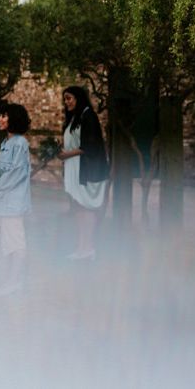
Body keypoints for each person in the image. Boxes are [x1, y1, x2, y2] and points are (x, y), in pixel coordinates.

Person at [0, 103, 32, 296]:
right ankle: (10, 279)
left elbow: (17, 172)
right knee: (7, 241)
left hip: (13, 201)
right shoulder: (7, 142)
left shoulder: (20, 143)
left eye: (3, 116)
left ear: (13, 119)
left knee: (16, 241)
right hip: (3, 201)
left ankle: (15, 281)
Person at [57, 86, 109, 260]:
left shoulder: (89, 116)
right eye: (65, 99)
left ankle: (88, 248)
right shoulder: (75, 118)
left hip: (87, 170)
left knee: (86, 208)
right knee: (78, 208)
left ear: (79, 98)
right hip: (75, 168)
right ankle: (81, 247)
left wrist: (67, 154)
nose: (67, 102)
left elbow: (90, 146)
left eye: (70, 98)